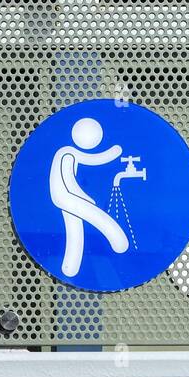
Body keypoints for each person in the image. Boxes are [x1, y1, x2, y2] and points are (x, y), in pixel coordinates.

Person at [49, 117, 129, 278]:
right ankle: (119, 243)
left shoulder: (69, 153)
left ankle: (70, 269)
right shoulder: (66, 152)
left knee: (75, 230)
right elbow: (91, 161)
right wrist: (115, 151)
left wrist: (81, 195)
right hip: (64, 196)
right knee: (98, 217)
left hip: (67, 195)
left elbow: (70, 177)